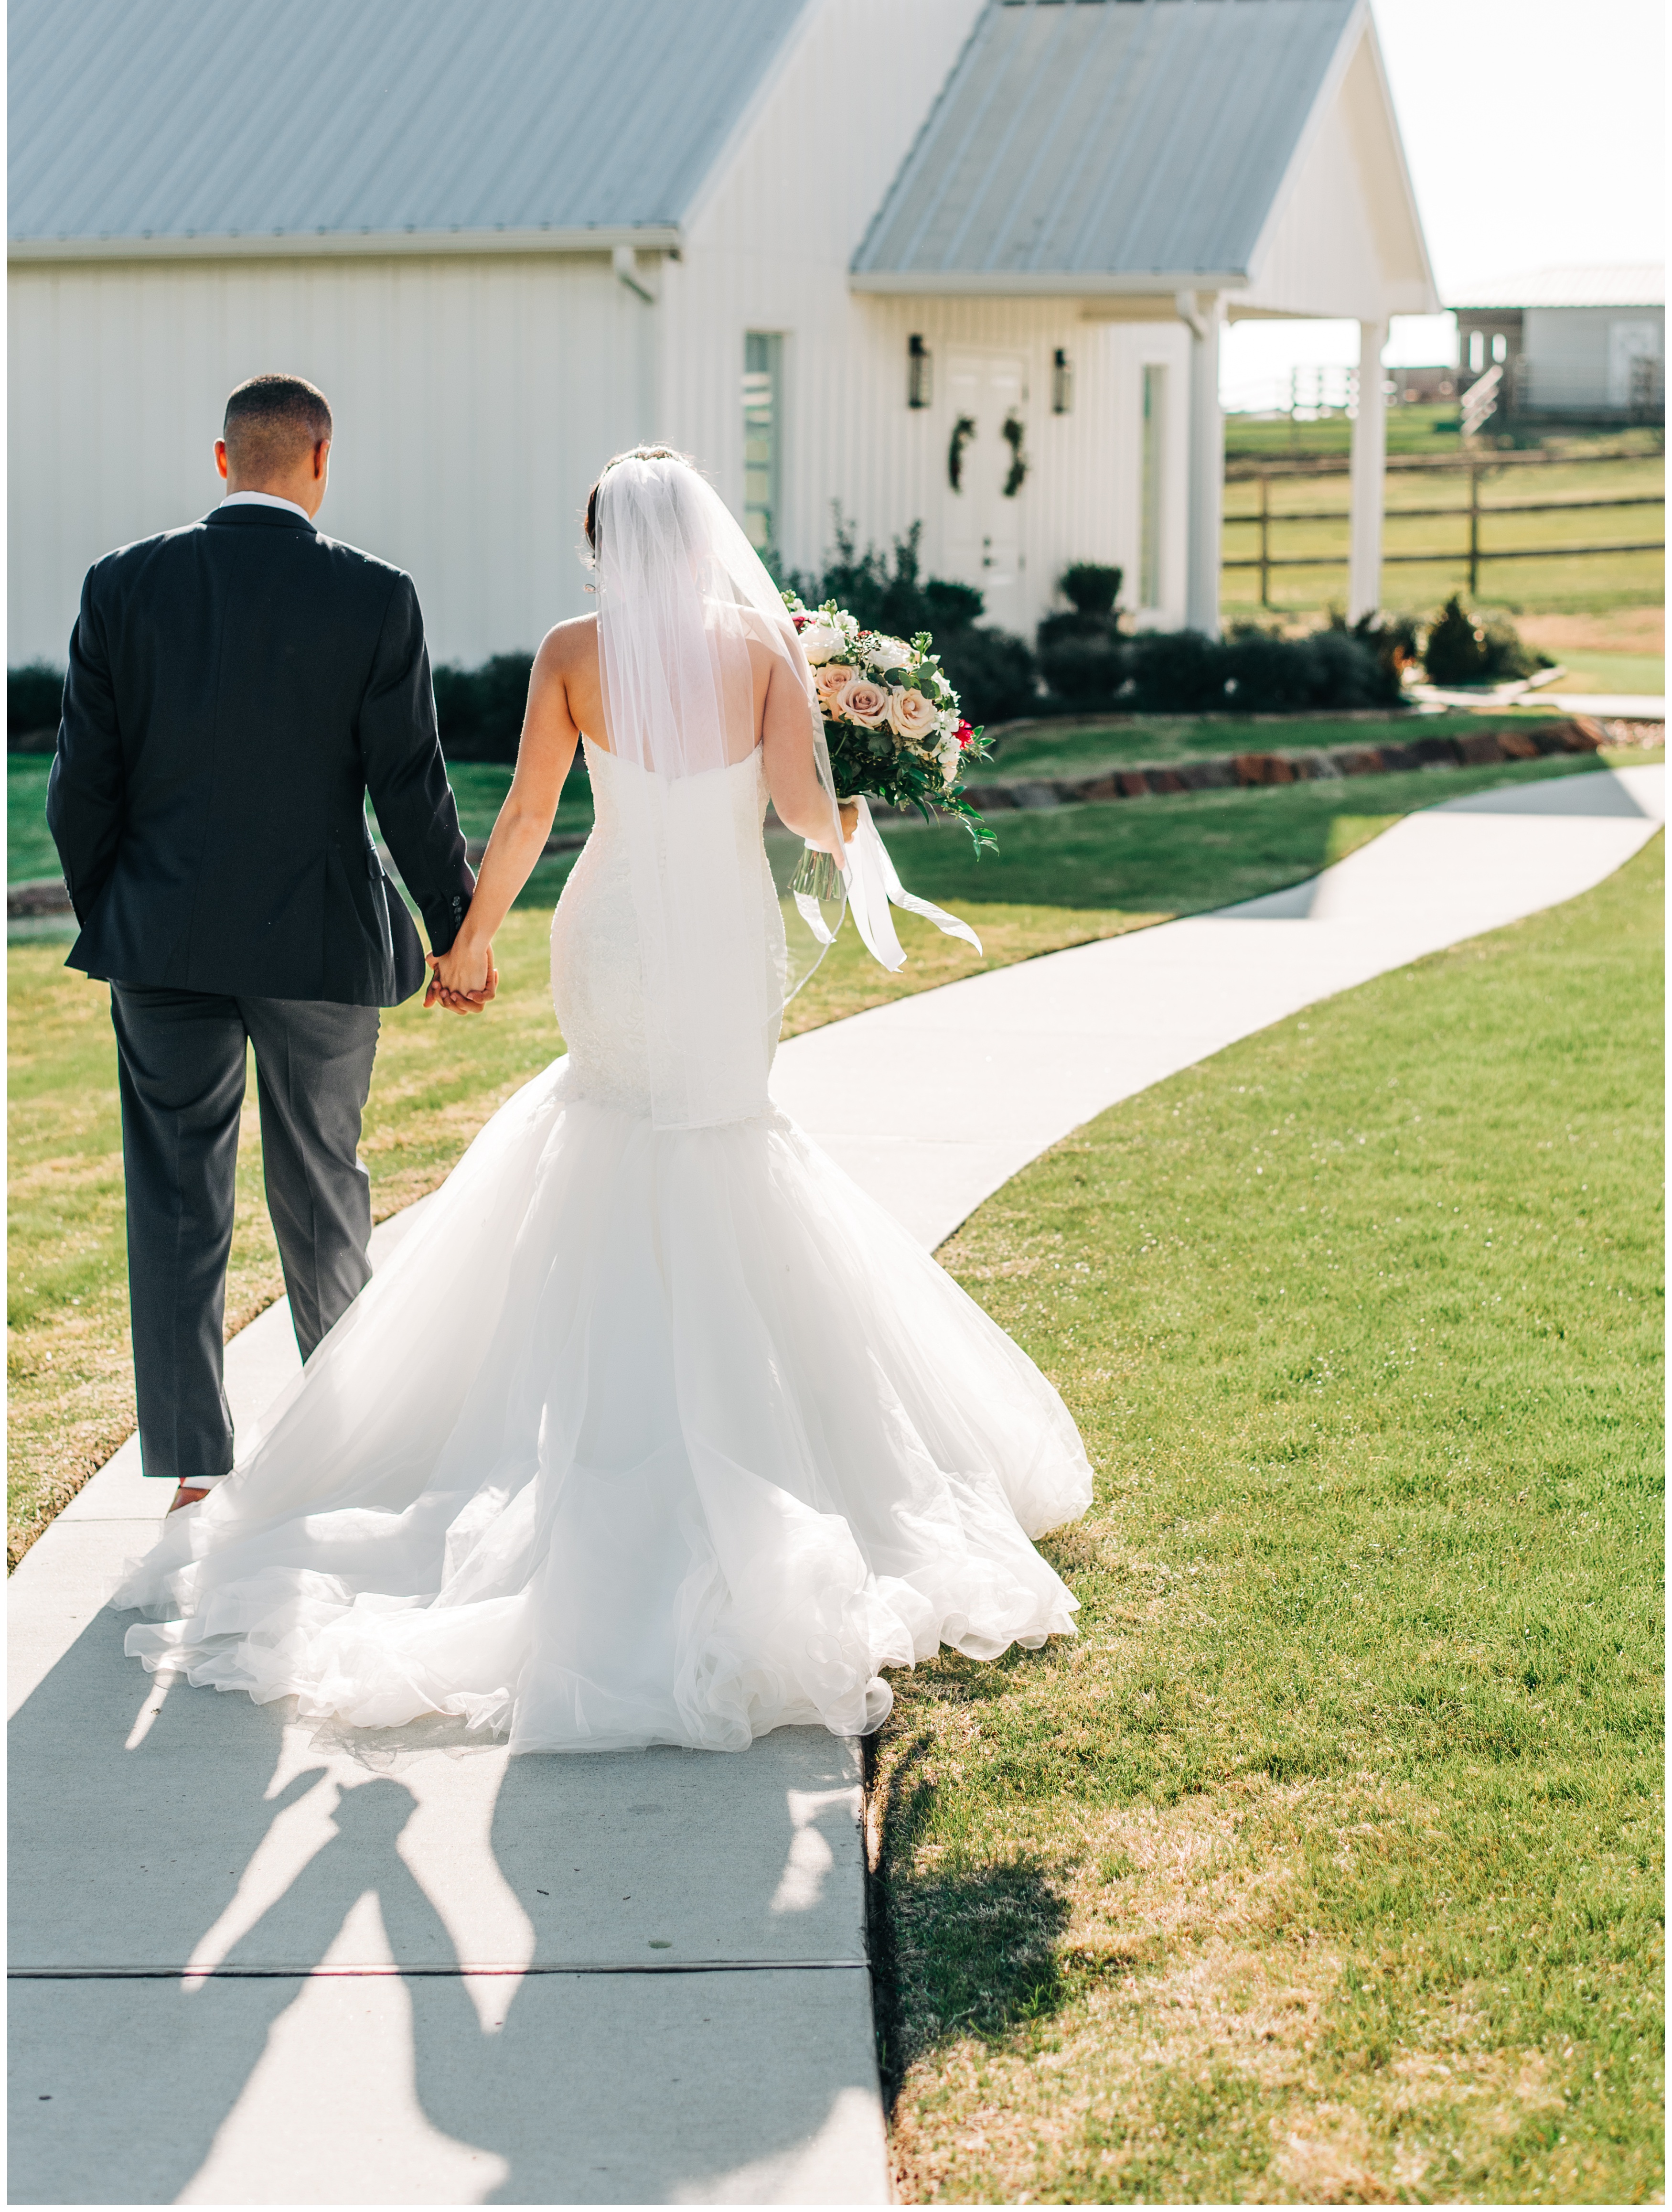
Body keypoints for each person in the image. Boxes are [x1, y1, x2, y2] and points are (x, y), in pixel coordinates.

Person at [116, 448, 1092, 1752]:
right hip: (718, 942)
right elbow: (807, 817)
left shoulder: (572, 648)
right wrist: (875, 776)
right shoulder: (761, 651)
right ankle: (768, 1438)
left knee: (610, 1134)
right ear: (701, 542)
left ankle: (584, 1434)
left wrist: (467, 940)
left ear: (597, 545)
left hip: (617, 932)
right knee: (726, 1145)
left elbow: (525, 813)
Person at [48, 374, 481, 1517]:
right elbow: (412, 789)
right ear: (321, 462)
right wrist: (459, 932)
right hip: (322, 942)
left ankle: (192, 1468)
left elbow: (80, 786)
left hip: (162, 942)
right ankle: (341, 1446)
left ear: (222, 458)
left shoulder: (123, 583)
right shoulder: (376, 595)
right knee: (323, 1187)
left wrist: (119, 909)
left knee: (176, 1199)